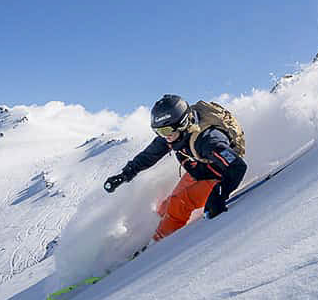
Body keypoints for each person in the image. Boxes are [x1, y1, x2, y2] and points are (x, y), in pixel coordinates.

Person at [104, 95, 247, 241]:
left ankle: (158, 243)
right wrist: (125, 174)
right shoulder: (173, 133)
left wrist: (219, 195)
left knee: (179, 204)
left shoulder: (208, 141)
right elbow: (149, 155)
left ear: (182, 124)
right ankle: (155, 227)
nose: (163, 137)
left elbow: (237, 166)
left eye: (165, 131)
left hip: (222, 174)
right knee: (167, 203)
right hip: (202, 167)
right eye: (158, 132)